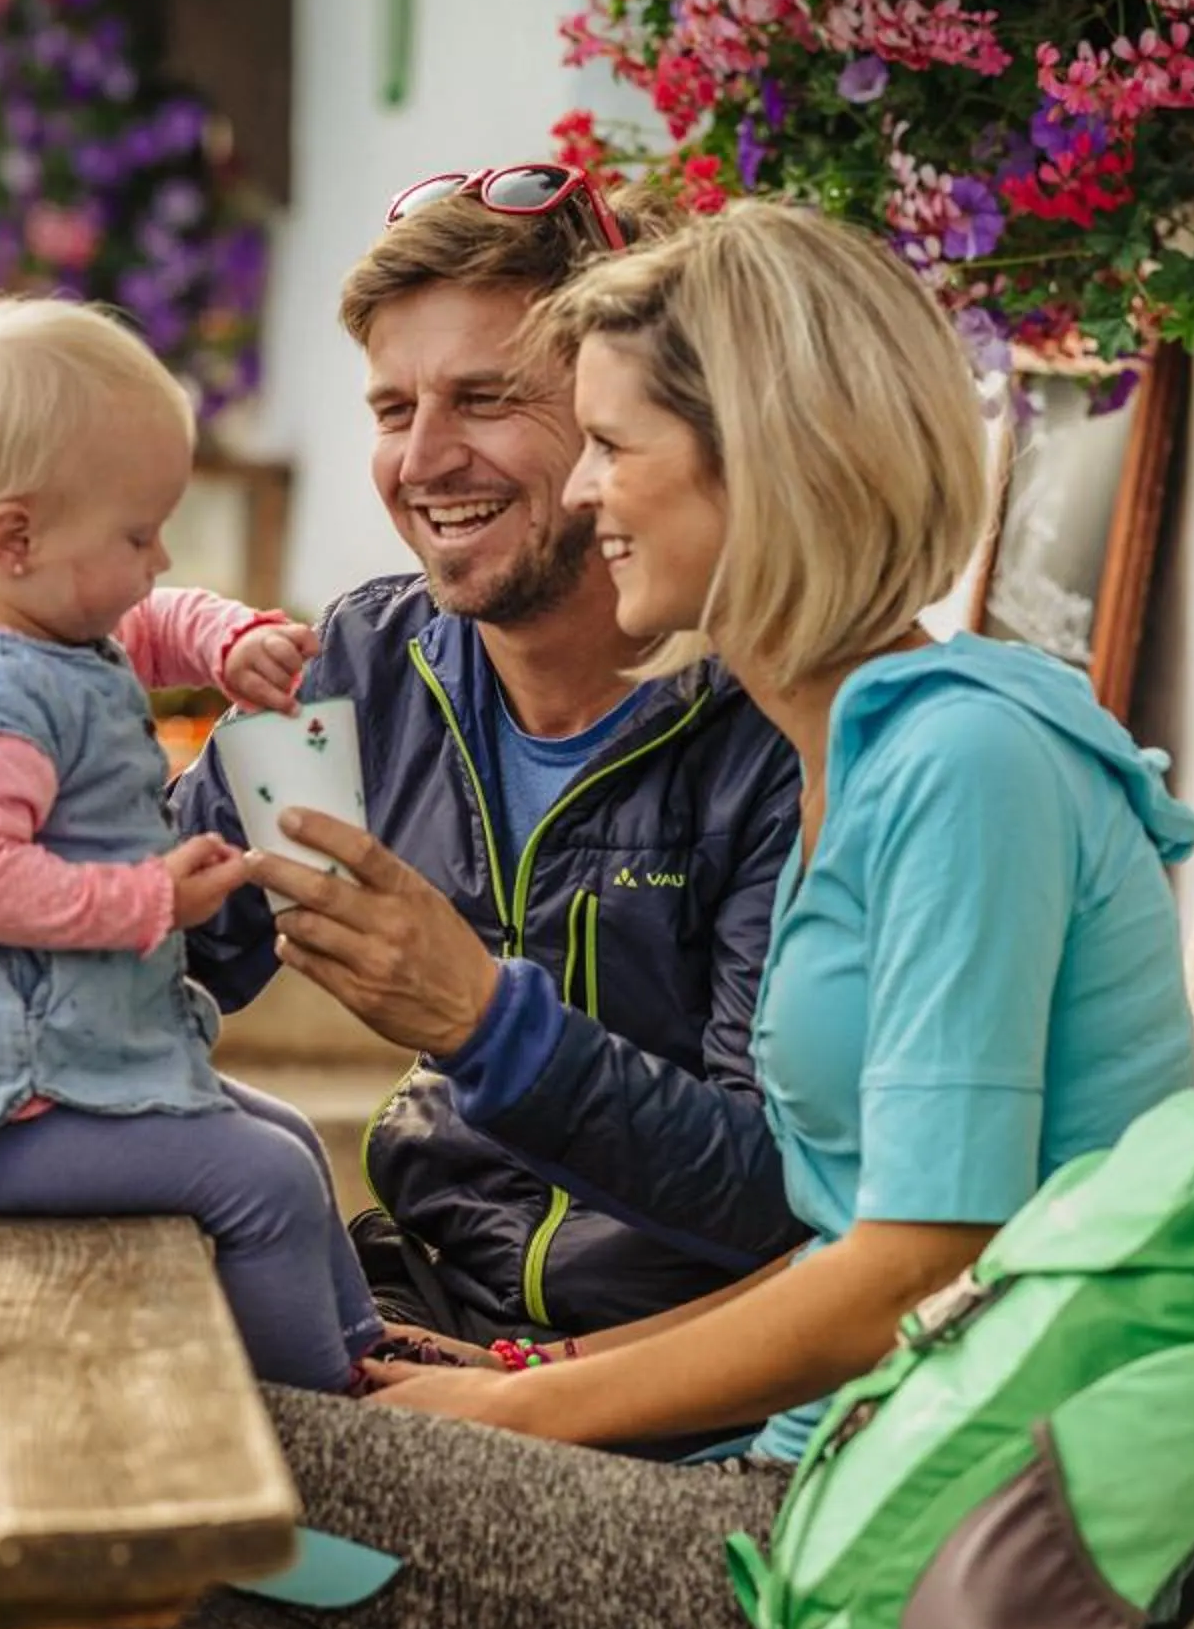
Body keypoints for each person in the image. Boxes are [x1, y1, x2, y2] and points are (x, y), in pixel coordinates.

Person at [184, 201, 1194, 1629]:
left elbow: (910, 1270)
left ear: (770, 462)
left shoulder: (961, 767)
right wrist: (534, 1378)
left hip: (897, 1531)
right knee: (186, 1438)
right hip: (828, 1469)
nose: (586, 498)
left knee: (186, 1474)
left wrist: (506, 1404)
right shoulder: (847, 756)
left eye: (611, 446)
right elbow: (846, 1232)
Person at [170, 166, 810, 1355]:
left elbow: (774, 1199)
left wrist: (485, 1023)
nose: (424, 460)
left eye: (486, 397)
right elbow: (163, 941)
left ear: (628, 418)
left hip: (664, 1364)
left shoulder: (775, 734)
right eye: (392, 410)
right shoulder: (367, 664)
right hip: (418, 1290)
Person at [0, 296, 380, 1394]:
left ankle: (365, 1361)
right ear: (18, 537)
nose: (162, 555)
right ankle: (323, 1435)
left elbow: (147, 623)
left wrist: (227, 639)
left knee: (285, 1134)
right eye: (139, 534)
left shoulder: (45, 619)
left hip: (78, 1072)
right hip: (7, 1111)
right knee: (267, 1186)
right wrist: (149, 899)